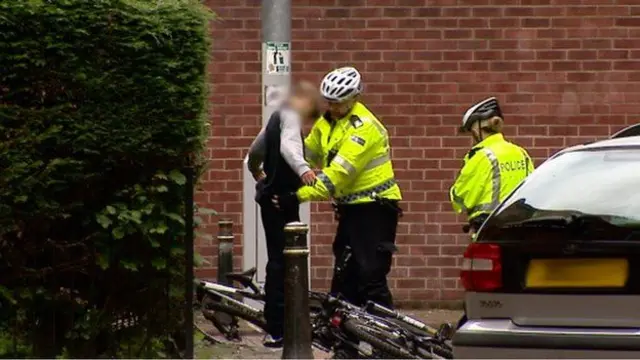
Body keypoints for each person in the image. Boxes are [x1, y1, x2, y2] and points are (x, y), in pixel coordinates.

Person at [273, 66, 402, 308]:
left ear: (355, 97)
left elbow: (335, 179)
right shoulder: (328, 122)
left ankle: (385, 340)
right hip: (350, 210)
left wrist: (297, 196)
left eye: (338, 103)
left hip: (375, 209)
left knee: (370, 278)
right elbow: (308, 154)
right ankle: (346, 344)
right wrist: (285, 173)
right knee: (344, 280)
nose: (332, 108)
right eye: (329, 102)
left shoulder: (363, 129)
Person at [450, 96, 534, 329]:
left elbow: (461, 198)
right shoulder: (520, 153)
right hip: (522, 233)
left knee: (484, 295)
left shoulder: (481, 157)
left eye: (471, 130)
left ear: (479, 126)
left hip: (489, 233)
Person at [246, 81, 320, 347]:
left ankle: (276, 322)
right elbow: (289, 146)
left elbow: (256, 149)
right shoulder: (290, 116)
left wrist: (255, 170)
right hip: (282, 200)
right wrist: (304, 170)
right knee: (284, 263)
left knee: (277, 259)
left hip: (268, 198)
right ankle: (280, 327)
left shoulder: (276, 117)